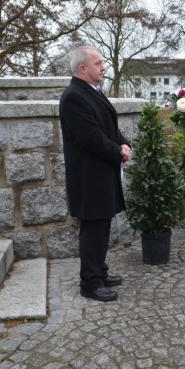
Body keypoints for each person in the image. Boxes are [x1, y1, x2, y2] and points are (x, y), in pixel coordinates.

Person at [59, 46, 132, 302]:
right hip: (88, 176)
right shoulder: (73, 97)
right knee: (92, 229)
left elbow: (108, 127)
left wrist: (124, 144)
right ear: (82, 68)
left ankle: (99, 272)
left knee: (102, 225)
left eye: (102, 63)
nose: (103, 67)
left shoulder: (91, 91)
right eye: (98, 63)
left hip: (101, 172)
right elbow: (91, 137)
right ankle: (90, 283)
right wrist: (118, 152)